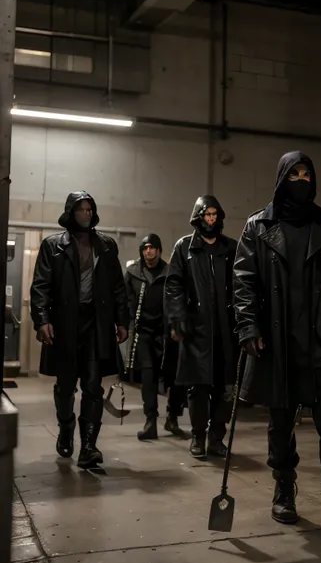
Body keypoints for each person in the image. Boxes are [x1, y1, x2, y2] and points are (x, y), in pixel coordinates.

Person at [233, 151, 321, 540]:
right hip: (278, 341)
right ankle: (283, 487)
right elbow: (243, 283)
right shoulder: (258, 226)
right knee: (281, 422)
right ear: (280, 178)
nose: (301, 179)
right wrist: (248, 327)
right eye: (293, 173)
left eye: (306, 173)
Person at [30, 191, 129, 469]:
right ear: (70, 212)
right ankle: (65, 427)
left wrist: (122, 321)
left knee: (93, 386)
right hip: (64, 326)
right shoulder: (54, 245)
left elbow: (118, 287)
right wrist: (42, 319)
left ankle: (88, 446)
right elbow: (40, 285)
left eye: (89, 208)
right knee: (64, 387)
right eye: (81, 209)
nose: (86, 213)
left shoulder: (106, 246)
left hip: (95, 325)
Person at [165, 196, 237, 458]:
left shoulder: (230, 248)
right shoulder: (185, 248)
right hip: (197, 329)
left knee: (224, 387)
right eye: (206, 214)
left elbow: (242, 285)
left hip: (226, 329)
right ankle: (198, 437)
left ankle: (217, 438)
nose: (210, 219)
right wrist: (177, 317)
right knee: (198, 386)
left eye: (215, 215)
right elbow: (173, 284)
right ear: (198, 216)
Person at [125, 233, 185, 441]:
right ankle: (150, 421)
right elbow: (126, 300)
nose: (148, 251)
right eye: (145, 248)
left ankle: (173, 417)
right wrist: (128, 322)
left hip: (167, 333)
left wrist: (177, 325)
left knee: (174, 377)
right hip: (144, 334)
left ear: (159, 250)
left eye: (152, 247)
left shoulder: (170, 273)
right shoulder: (133, 273)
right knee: (148, 377)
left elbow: (178, 298)